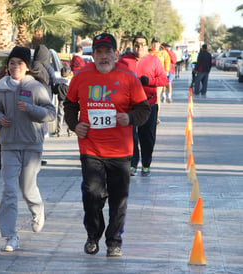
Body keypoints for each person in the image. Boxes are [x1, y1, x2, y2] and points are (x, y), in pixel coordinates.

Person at [64, 33, 151, 257]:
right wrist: (75, 125)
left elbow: (144, 109)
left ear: (116, 54)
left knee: (118, 198)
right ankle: (93, 236)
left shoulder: (128, 78)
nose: (103, 56)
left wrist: (129, 118)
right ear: (92, 55)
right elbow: (70, 105)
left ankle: (114, 241)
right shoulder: (81, 76)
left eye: (107, 52)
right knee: (92, 193)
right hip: (91, 148)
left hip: (121, 151)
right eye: (99, 52)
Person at [0, 46, 56, 252]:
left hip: (31, 145)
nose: (15, 66)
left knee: (27, 189)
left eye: (19, 63)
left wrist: (30, 109)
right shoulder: (2, 86)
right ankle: (10, 236)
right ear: (7, 66)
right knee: (9, 191)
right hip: (9, 145)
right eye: (12, 63)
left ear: (27, 67)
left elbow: (50, 113)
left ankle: (37, 210)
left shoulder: (36, 87)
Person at [119, 33, 168, 177]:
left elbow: (163, 80)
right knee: (130, 136)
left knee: (147, 137)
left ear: (147, 47)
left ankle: (146, 164)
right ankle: (133, 164)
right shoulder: (124, 60)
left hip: (148, 104)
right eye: (136, 44)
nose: (139, 47)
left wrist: (150, 81)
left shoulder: (154, 60)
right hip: (129, 105)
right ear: (132, 45)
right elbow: (115, 77)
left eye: (142, 45)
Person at [150, 37, 170, 105]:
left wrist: (166, 70)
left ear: (159, 44)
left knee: (157, 95)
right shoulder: (148, 52)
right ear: (151, 44)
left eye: (157, 43)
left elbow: (167, 61)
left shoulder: (163, 53)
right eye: (154, 43)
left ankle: (156, 112)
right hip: (150, 77)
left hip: (159, 77)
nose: (155, 45)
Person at [53, 66, 72, 137]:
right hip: (69, 101)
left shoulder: (59, 83)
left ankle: (59, 131)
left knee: (60, 116)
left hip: (61, 101)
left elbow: (55, 91)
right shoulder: (70, 83)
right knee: (68, 116)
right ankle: (69, 130)